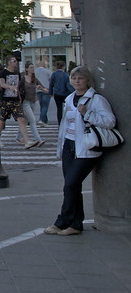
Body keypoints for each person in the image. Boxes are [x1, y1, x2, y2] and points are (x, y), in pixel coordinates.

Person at [44, 66, 117, 236]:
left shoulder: (96, 99)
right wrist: (61, 147)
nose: (77, 81)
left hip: (86, 147)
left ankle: (62, 221)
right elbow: (65, 125)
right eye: (74, 78)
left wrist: (88, 114)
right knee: (72, 186)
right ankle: (76, 225)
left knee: (70, 184)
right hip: (69, 146)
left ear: (87, 80)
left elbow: (110, 121)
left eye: (80, 78)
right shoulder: (69, 99)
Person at [0, 56, 30, 146]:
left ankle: (27, 141)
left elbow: (18, 86)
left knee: (21, 119)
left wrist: (19, 96)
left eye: (16, 61)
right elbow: (2, 83)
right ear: (9, 63)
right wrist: (10, 87)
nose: (16, 63)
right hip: (6, 99)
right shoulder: (3, 73)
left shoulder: (17, 73)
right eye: (14, 61)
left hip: (15, 100)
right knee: (2, 119)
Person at [19, 62, 44, 148]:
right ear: (26, 69)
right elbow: (18, 88)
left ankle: (18, 137)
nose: (32, 69)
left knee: (26, 120)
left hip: (33, 101)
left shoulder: (34, 78)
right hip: (25, 101)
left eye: (33, 68)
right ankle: (38, 139)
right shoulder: (22, 78)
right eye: (31, 68)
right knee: (33, 120)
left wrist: (45, 90)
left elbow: (41, 86)